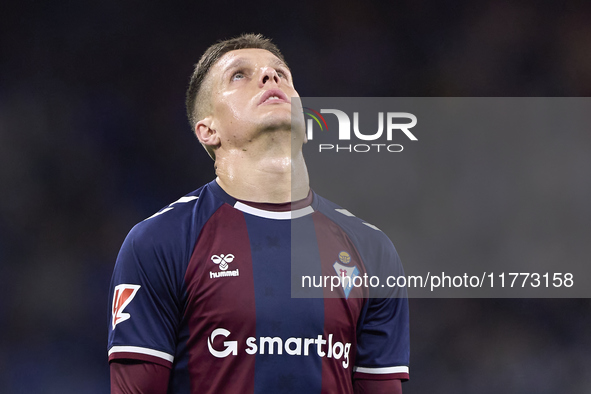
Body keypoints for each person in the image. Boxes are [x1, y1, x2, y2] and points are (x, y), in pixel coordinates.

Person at [108, 33, 409, 394]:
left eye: (281, 73)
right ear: (208, 130)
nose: (270, 77)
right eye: (239, 75)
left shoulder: (371, 250)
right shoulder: (160, 242)